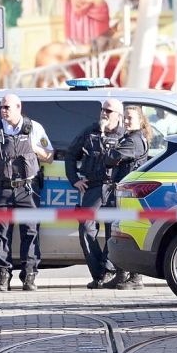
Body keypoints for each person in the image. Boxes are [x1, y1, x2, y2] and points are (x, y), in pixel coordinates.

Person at [0, 94, 53, 291]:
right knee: (1, 234)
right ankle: (3, 277)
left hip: (27, 189)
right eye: (1, 107)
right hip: (2, 189)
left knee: (30, 232)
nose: (3, 110)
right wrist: (0, 154)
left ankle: (29, 276)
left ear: (19, 107)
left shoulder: (34, 128)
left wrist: (33, 148)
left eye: (7, 107)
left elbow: (50, 156)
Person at [66, 98, 125, 290]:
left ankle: (108, 271)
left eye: (109, 110)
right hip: (92, 187)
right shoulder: (90, 132)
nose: (104, 113)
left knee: (112, 231)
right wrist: (74, 179)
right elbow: (70, 154)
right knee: (86, 228)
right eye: (102, 109)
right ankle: (99, 272)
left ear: (118, 115)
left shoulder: (124, 135)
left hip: (114, 188)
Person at [103, 105, 152, 290]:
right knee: (121, 232)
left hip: (132, 196)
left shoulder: (134, 141)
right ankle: (122, 274)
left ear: (140, 120)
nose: (125, 121)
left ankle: (135, 277)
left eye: (129, 118)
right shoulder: (130, 138)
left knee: (129, 233)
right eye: (124, 117)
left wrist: (110, 153)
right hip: (127, 193)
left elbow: (111, 157)